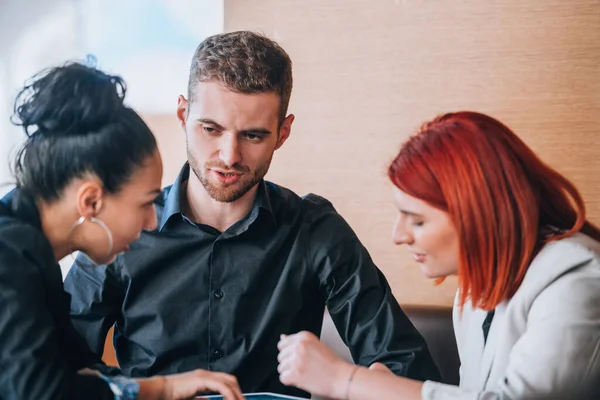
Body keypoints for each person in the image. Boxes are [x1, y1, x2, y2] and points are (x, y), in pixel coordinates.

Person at [64, 31, 440, 397]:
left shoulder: (315, 228)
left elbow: (405, 367)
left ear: (283, 132)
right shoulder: (119, 228)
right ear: (183, 114)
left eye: (254, 136)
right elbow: (54, 366)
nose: (229, 156)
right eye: (211, 128)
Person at [277, 111, 600, 399]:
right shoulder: (474, 294)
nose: (399, 236)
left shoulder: (576, 279)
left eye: (417, 220)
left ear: (479, 213)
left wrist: (347, 381)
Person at [0, 62, 244, 400]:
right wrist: (162, 389)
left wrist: (169, 388)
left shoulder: (31, 254)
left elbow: (76, 366)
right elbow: (42, 392)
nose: (153, 222)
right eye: (145, 204)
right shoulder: (9, 255)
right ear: (91, 201)